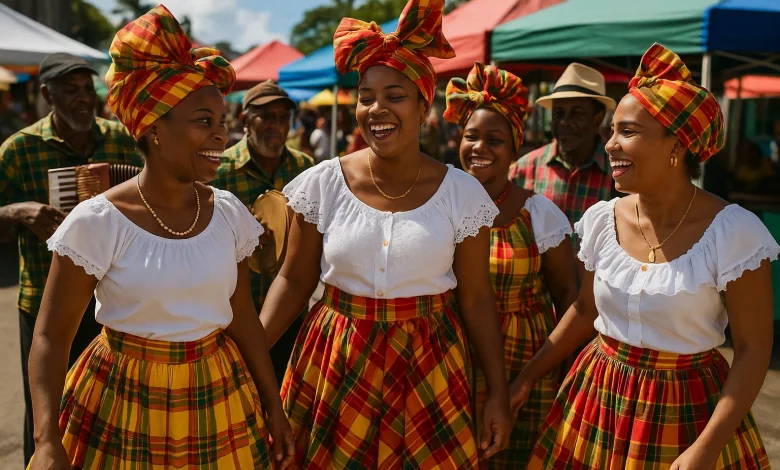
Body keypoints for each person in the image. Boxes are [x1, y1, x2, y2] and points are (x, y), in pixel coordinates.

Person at [27, 7, 294, 469]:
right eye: (203, 121)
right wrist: (47, 438)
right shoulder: (98, 221)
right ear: (152, 128)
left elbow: (243, 319)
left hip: (219, 394)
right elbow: (51, 335)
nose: (220, 134)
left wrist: (273, 403)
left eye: (221, 121)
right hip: (120, 400)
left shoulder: (228, 212)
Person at [259, 1, 512, 468]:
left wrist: (496, 393)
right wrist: (248, 364)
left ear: (424, 105)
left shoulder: (463, 194)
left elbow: (476, 299)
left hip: (430, 369)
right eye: (366, 95)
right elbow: (293, 282)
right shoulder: (322, 183)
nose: (377, 109)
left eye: (395, 95)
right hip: (334, 365)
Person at [516, 44, 776, 470]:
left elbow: (753, 348)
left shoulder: (735, 233)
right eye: (612, 130)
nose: (611, 144)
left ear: (677, 145)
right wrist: (527, 376)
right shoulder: (602, 218)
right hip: (597, 397)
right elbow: (584, 309)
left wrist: (707, 448)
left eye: (628, 132)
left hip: (687, 411)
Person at [0, 52, 143, 467]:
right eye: (70, 90)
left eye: (88, 89)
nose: (84, 99)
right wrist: (15, 212)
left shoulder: (121, 140)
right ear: (46, 94)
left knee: (105, 411)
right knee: (46, 412)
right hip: (44, 300)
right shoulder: (19, 149)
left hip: (110, 302)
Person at [444, 62, 578, 469]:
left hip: (523, 365)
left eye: (494, 139)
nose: (479, 147)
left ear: (515, 148)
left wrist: (556, 378)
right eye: (470, 136)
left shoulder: (539, 214)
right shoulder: (438, 206)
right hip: (452, 358)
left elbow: (570, 300)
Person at [211, 80, 315, 383]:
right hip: (232, 317)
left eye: (283, 118)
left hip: (290, 317)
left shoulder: (305, 169)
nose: (277, 126)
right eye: (267, 117)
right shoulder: (219, 171)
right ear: (244, 120)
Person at [508, 63, 616, 250]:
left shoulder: (616, 173)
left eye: (577, 113)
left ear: (598, 118)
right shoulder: (525, 169)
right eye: (558, 113)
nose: (565, 122)